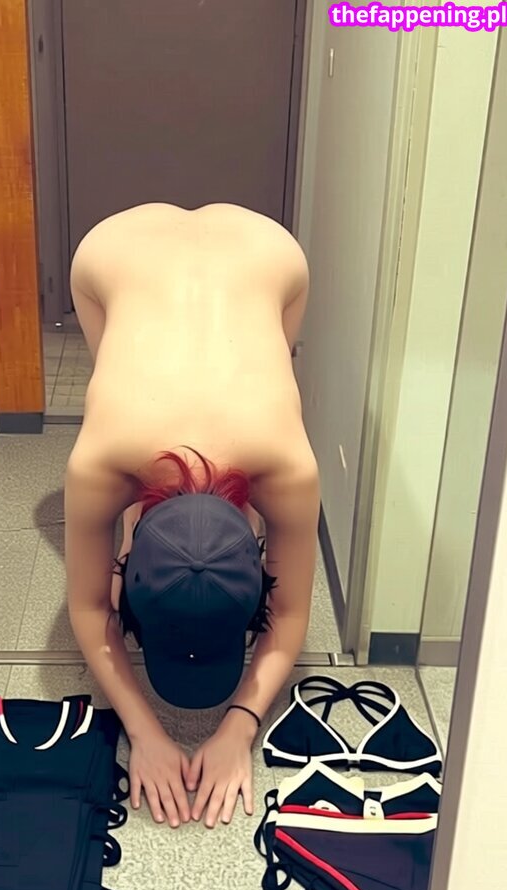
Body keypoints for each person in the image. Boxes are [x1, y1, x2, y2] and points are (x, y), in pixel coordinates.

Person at [64, 203, 320, 830]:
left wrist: (241, 727)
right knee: (116, 380)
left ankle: (177, 539)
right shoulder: (99, 462)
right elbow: (89, 607)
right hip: (111, 254)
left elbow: (290, 612)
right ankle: (158, 533)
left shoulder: (289, 468)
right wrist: (143, 730)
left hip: (270, 258)